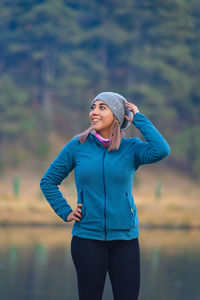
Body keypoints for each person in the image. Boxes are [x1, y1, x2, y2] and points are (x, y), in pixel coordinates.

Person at [40, 91, 170, 300]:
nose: (94, 112)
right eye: (93, 107)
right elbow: (48, 181)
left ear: (117, 115)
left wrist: (139, 119)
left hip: (125, 240)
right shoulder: (77, 145)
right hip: (87, 239)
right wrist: (65, 211)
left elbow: (161, 150)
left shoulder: (131, 148)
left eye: (102, 107)